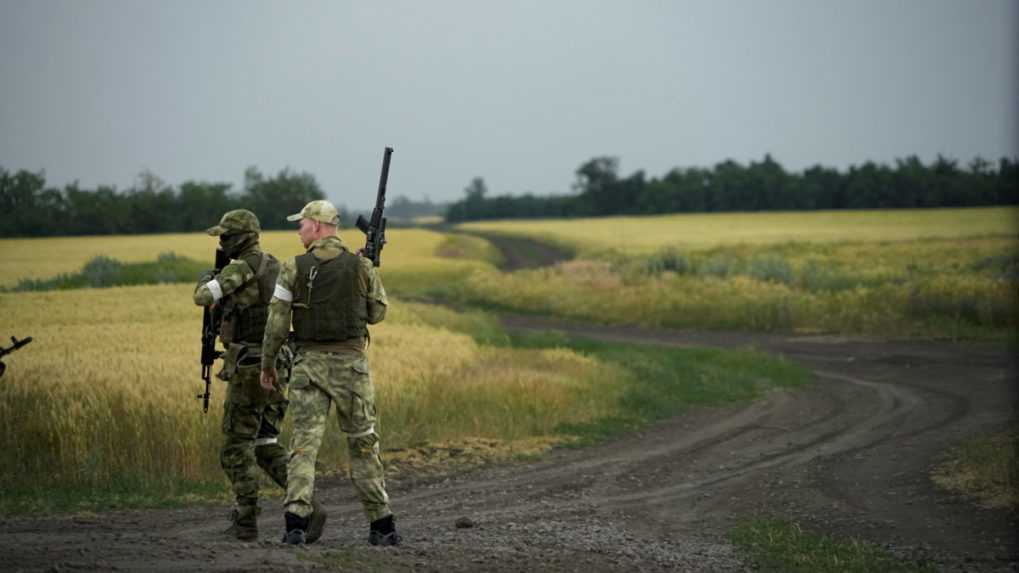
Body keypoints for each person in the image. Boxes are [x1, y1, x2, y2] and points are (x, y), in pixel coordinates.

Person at [259, 199, 400, 547]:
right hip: (352, 370)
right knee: (364, 444)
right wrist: (367, 269)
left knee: (304, 446)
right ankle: (382, 526)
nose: (299, 230)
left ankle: (295, 524)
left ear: (318, 227)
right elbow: (377, 314)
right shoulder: (360, 265)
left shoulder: (293, 267)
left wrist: (267, 365)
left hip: (309, 368)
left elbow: (276, 324)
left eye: (302, 224)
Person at [193, 209, 325, 541]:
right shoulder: (276, 265)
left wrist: (207, 277)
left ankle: (245, 521)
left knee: (235, 447)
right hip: (281, 364)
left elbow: (203, 296)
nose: (222, 242)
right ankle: (307, 507)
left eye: (225, 237)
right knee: (266, 443)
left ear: (240, 238)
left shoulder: (241, 268)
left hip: (251, 368)